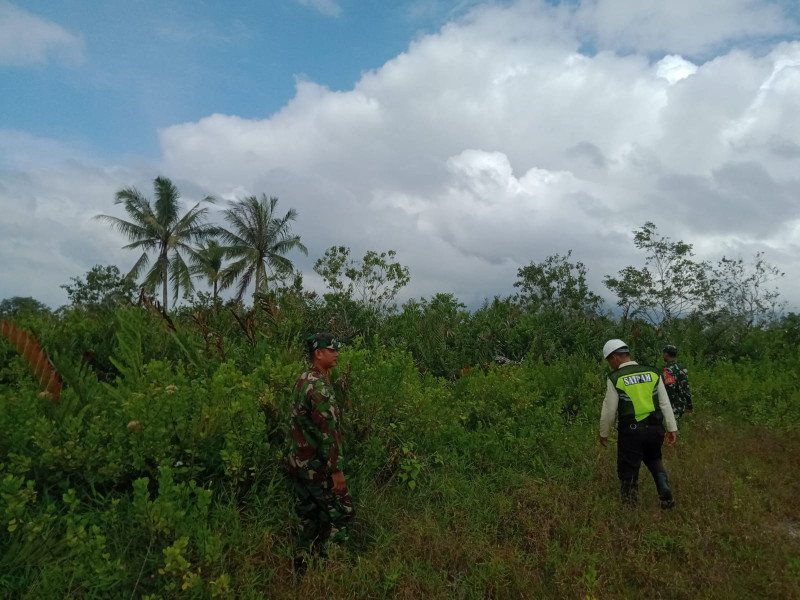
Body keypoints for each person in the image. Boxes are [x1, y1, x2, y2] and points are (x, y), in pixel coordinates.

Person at [288, 332, 354, 561]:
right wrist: (337, 471)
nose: (337, 354)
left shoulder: (303, 379)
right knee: (341, 512)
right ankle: (334, 564)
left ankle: (303, 559)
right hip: (317, 466)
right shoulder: (320, 388)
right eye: (332, 350)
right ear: (318, 353)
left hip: (299, 463)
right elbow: (329, 434)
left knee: (308, 515)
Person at [599, 339, 678, 508]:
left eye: (609, 361)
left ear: (614, 358)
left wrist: (604, 432)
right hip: (655, 429)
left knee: (628, 467)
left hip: (631, 432)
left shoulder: (615, 377)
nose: (610, 365)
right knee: (654, 459)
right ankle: (664, 489)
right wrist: (672, 428)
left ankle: (630, 506)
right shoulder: (653, 373)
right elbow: (665, 403)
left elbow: (609, 409)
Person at [662, 344, 693, 428]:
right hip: (681, 404)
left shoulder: (668, 370)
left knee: (672, 429)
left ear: (666, 354)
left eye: (663, 353)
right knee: (676, 426)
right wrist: (689, 404)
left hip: (672, 405)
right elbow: (686, 388)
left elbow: (669, 389)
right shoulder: (682, 368)